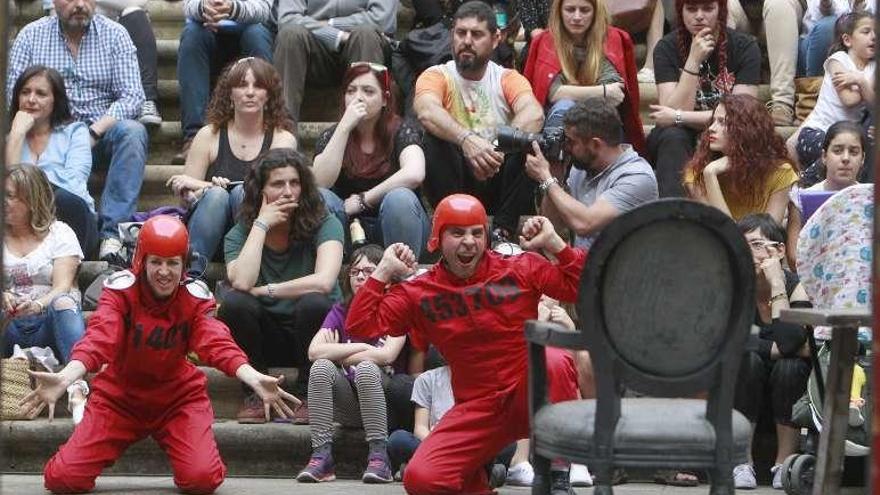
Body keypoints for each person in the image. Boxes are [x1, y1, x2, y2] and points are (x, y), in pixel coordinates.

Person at [19, 215, 300, 494]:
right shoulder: (120, 292)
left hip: (177, 400)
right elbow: (99, 337)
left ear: (183, 265)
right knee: (62, 479)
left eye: (172, 263)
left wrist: (251, 376)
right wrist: (67, 377)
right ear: (142, 262)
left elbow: (215, 342)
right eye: (156, 262)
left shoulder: (195, 298)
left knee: (202, 479)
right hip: (120, 399)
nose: (164, 271)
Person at [346, 193, 583, 494]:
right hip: (477, 407)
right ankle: (478, 485)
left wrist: (555, 244)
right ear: (438, 239)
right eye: (457, 233)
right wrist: (383, 271)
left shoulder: (520, 267)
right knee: (420, 478)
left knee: (553, 357)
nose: (469, 241)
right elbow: (361, 325)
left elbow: (582, 285)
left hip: (527, 391)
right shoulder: (420, 290)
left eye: (476, 232)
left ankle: (557, 477)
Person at [7, 0, 148, 263]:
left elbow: (132, 96)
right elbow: (12, 94)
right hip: (46, 130)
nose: (80, 4)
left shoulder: (115, 33)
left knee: (133, 132)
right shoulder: (31, 35)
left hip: (102, 132)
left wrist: (91, 133)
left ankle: (112, 235)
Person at [218, 148, 344, 423]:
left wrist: (267, 290)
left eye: (295, 183)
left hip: (317, 336)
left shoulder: (325, 223)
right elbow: (241, 281)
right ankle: (255, 389)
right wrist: (261, 225)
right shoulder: (240, 233)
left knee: (315, 302)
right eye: (277, 184)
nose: (288, 192)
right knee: (236, 303)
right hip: (267, 337)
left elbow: (324, 281)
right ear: (260, 191)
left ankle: (311, 391)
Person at [414, 1, 545, 243]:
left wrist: (493, 148)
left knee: (529, 142)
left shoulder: (506, 77)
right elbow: (426, 110)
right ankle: (453, 223)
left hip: (498, 174)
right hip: (454, 178)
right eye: (461, 33)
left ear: (496, 39)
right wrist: (467, 140)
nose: (467, 40)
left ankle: (502, 231)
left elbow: (533, 113)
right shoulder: (436, 75)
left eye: (476, 34)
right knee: (432, 137)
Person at [165, 58, 296, 278]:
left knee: (240, 193)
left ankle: (252, 272)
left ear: (269, 96)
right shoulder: (208, 135)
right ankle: (193, 278)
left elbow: (280, 195)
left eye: (258, 86)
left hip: (258, 234)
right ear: (230, 94)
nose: (250, 92)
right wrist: (207, 189)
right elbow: (186, 197)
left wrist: (204, 185)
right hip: (210, 234)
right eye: (242, 85)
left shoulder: (283, 139)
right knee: (216, 196)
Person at [296, 244, 408, 484]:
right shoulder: (341, 311)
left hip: (385, 405)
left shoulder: (397, 307)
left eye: (368, 271)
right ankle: (322, 456)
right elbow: (314, 352)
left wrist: (338, 353)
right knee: (321, 368)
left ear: (386, 277)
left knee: (367, 369)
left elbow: (387, 356)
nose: (359, 276)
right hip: (351, 404)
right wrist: (365, 349)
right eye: (355, 271)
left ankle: (380, 455)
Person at [313, 62, 430, 259]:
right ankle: (334, 272)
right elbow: (319, 182)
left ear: (385, 99)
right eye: (351, 91)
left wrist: (364, 200)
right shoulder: (332, 135)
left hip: (400, 226)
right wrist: (343, 128)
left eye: (368, 91)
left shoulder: (402, 130)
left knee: (399, 197)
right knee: (321, 197)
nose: (357, 97)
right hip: (348, 228)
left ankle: (402, 277)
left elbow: (414, 173)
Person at [647, 0, 760, 197]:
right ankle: (676, 215)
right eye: (691, 9)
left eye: (708, 8)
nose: (699, 16)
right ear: (680, 11)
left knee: (744, 134)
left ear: (721, 11)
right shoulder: (666, 48)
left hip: (726, 132)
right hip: (680, 136)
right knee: (672, 136)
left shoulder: (745, 47)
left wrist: (679, 116)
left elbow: (742, 116)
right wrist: (693, 60)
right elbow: (668, 118)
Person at [733, 214, 812, 490]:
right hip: (743, 378)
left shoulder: (796, 285)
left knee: (789, 366)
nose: (747, 253)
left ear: (779, 250)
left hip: (787, 381)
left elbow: (791, 343)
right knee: (747, 360)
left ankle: (785, 463)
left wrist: (777, 283)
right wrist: (780, 349)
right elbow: (733, 342)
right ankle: (742, 463)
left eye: (755, 244)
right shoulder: (734, 286)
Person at [525, 98, 657, 249]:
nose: (566, 147)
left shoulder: (637, 177)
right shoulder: (581, 167)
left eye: (571, 142)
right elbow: (554, 224)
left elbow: (585, 225)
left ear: (595, 144)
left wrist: (546, 179)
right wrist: (555, 177)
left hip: (623, 269)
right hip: (584, 266)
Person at [523, 0, 645, 153]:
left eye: (585, 10)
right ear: (559, 11)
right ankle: (554, 170)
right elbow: (553, 93)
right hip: (554, 122)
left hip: (601, 121)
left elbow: (616, 96)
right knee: (563, 107)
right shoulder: (545, 41)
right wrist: (604, 91)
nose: (577, 17)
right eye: (570, 9)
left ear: (595, 12)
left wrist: (569, 91)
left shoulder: (613, 38)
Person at [5, 66, 98, 258]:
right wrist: (16, 136)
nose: (31, 99)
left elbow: (74, 183)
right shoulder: (10, 139)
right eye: (25, 92)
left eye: (41, 94)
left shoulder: (75, 133)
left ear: (55, 100)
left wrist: (27, 187)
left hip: (70, 221)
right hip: (20, 226)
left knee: (67, 199)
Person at [3, 164, 85, 369]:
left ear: (31, 200)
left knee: (64, 302)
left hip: (48, 323)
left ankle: (77, 383)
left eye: (10, 196)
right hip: (8, 325)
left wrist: (37, 305)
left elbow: (62, 287)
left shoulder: (60, 233)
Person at [174, 0, 275, 164]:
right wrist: (204, 8)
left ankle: (265, 132)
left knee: (257, 34)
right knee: (192, 34)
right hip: (207, 33)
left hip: (248, 34)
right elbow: (187, 6)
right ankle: (194, 137)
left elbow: (265, 11)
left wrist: (233, 9)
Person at [684, 93, 799, 224]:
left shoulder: (780, 173)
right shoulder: (697, 173)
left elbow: (766, 236)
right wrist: (710, 174)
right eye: (713, 121)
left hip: (759, 244)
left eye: (723, 122)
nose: (711, 128)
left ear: (747, 130)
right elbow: (723, 231)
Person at [273, 0, 397, 121]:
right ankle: (282, 131)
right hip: (316, 48)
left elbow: (381, 18)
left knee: (366, 34)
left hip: (363, 45)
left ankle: (366, 134)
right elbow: (287, 18)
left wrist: (331, 23)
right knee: (290, 35)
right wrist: (337, 36)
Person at [788, 11, 875, 170]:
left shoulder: (873, 68)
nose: (874, 36)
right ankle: (805, 186)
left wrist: (859, 80)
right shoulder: (838, 60)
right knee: (835, 153)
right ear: (848, 40)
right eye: (866, 31)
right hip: (816, 131)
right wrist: (867, 88)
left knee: (848, 155)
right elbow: (849, 99)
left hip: (848, 139)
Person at [785, 120, 866, 266]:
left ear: (862, 159)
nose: (846, 158)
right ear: (824, 156)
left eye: (854, 152)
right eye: (838, 150)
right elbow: (793, 257)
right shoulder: (801, 199)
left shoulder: (869, 198)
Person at [726, 0, 805, 125]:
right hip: (742, 13)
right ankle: (721, 100)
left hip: (781, 13)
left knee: (778, 4)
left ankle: (782, 103)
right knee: (723, 8)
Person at [798, 0, 874, 78]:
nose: (873, 36)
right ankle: (813, 83)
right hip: (815, 41)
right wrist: (826, 4)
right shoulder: (836, 61)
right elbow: (819, 13)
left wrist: (858, 6)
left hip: (859, 49)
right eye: (866, 32)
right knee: (828, 26)